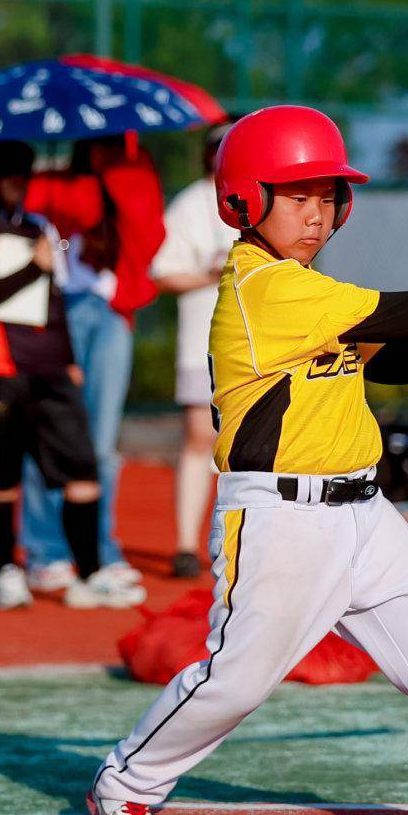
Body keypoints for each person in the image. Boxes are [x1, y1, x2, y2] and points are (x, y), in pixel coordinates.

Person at [90, 105, 408, 815]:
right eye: (297, 197)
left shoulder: (312, 289)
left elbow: (393, 354)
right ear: (247, 200)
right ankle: (125, 785)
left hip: (365, 512)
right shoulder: (263, 286)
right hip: (283, 519)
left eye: (327, 199)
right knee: (239, 679)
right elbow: (405, 313)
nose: (316, 217)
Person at [0, 141, 142, 611]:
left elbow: (54, 301)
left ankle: (89, 574)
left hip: (49, 365)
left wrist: (68, 359)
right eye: (8, 173)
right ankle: (4, 570)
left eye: (23, 173)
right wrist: (34, 265)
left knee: (82, 471)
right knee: (3, 479)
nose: (18, 182)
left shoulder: (42, 229)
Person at [16, 135, 164, 599]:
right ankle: (45, 551)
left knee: (100, 440)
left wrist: (114, 166)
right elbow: (36, 223)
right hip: (56, 312)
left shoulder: (130, 174)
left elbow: (149, 231)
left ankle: (98, 551)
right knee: (51, 430)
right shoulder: (50, 183)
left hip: (109, 314)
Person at [151, 120, 242, 578]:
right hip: (201, 343)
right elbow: (163, 272)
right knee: (199, 439)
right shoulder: (189, 204)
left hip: (254, 347)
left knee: (249, 445)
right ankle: (187, 545)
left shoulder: (259, 199)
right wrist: (212, 274)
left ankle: (235, 546)